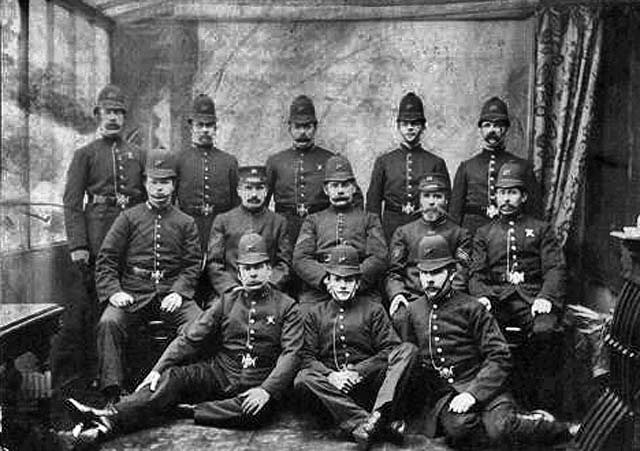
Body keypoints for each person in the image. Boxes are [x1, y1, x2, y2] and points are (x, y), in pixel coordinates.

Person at [60, 233, 302, 448]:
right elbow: (190, 338)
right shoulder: (227, 301)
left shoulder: (287, 306)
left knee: (255, 412)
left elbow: (291, 354)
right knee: (173, 378)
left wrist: (266, 390)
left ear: (269, 270)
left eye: (259, 266)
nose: (253, 273)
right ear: (238, 273)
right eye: (247, 268)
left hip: (259, 379)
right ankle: (108, 417)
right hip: (221, 373)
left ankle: (179, 412)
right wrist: (159, 369)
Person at [399, 234, 574, 449]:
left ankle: (551, 426)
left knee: (501, 428)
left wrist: (473, 394)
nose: (429, 280)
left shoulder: (472, 308)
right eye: (424, 273)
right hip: (445, 395)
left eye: (436, 272)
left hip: (485, 386)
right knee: (459, 429)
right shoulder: (412, 311)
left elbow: (499, 356)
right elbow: (410, 361)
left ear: (452, 273)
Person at [94, 147, 203, 404]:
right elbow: (106, 259)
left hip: (171, 291)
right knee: (109, 323)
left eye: (165, 182)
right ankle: (113, 393)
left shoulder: (185, 222)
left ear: (174, 185)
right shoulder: (128, 218)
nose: (159, 189)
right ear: (145, 183)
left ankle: (186, 387)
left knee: (198, 324)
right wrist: (114, 291)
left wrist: (179, 291)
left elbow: (192, 264)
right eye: (154, 182)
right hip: (133, 292)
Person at [61, 84, 146, 382]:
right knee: (97, 310)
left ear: (125, 117)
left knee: (131, 305)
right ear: (98, 115)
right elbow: (72, 203)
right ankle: (100, 376)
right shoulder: (85, 154)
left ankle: (130, 374)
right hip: (97, 238)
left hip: (133, 240)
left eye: (118, 113)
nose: (113, 118)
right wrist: (79, 245)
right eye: (108, 112)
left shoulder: (138, 153)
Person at [294, 245, 416, 450]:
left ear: (357, 283)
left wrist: (358, 372)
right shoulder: (315, 313)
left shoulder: (373, 309)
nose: (343, 285)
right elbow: (306, 356)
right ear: (329, 282)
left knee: (408, 350)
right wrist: (331, 376)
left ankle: (376, 414)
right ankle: (371, 423)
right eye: (338, 279)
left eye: (349, 280)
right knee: (303, 379)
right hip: (332, 393)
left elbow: (390, 349)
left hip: (368, 387)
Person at [469, 160, 566, 410]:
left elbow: (555, 267)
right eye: (502, 193)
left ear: (523, 196)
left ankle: (541, 406)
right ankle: (492, 402)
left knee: (546, 332)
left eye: (512, 192)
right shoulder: (484, 233)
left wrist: (546, 297)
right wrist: (482, 297)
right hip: (497, 298)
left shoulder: (541, 229)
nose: (506, 199)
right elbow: (476, 274)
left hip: (532, 299)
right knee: (483, 334)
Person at [266, 95, 362, 245]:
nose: (302, 132)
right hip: (285, 227)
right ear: (289, 128)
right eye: (297, 127)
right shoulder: (275, 161)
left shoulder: (330, 159)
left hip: (321, 227)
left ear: (315, 127)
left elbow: (355, 197)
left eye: (307, 126)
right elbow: (263, 203)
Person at [293, 156, 387, 306]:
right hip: (320, 291)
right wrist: (325, 279)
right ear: (326, 189)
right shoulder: (313, 220)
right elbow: (300, 258)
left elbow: (379, 257)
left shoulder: (370, 219)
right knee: (305, 317)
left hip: (359, 289)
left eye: (345, 185)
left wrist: (353, 281)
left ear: (354, 187)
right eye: (334, 186)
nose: (340, 191)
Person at [385, 173, 471, 333]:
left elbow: (461, 273)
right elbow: (393, 273)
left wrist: (450, 297)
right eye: (427, 196)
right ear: (419, 199)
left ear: (446, 200)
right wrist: (397, 294)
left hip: (447, 298)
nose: (432, 202)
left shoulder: (459, 234)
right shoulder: (404, 233)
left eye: (437, 196)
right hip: (413, 296)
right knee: (401, 317)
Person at [450, 96, 542, 234]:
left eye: (498, 125)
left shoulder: (523, 167)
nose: (492, 130)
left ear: (505, 129)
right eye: (487, 125)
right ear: (480, 129)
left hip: (509, 234)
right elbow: (455, 213)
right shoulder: (467, 167)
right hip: (473, 233)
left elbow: (534, 213)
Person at [366, 92, 450, 241]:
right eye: (405, 124)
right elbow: (373, 203)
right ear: (398, 126)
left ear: (424, 126)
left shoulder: (436, 162)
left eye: (415, 124)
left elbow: (445, 204)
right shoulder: (384, 162)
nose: (410, 128)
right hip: (391, 227)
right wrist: (376, 236)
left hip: (425, 227)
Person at [206, 166, 292, 301]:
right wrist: (230, 288)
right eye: (248, 188)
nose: (254, 194)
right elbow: (214, 263)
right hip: (230, 292)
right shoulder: (223, 220)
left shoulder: (278, 222)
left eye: (259, 188)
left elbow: (285, 263)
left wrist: (269, 284)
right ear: (238, 191)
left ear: (266, 191)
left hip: (269, 291)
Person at [176, 93, 239, 250]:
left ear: (215, 128)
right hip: (188, 231)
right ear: (191, 127)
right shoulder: (179, 160)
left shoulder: (229, 162)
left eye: (209, 125)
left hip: (220, 232)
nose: (205, 130)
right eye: (200, 125)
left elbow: (236, 205)